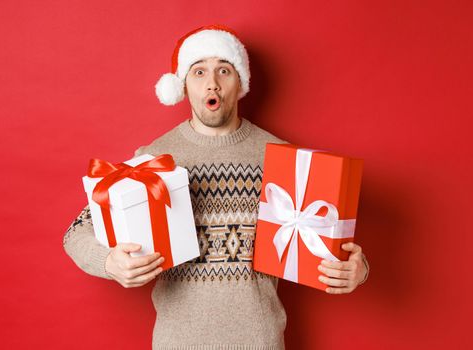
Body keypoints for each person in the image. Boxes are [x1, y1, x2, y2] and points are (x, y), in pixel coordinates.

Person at [63, 24, 370, 350]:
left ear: (240, 82)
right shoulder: (152, 161)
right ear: (183, 85)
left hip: (260, 342)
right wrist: (109, 262)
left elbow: (330, 247)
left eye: (224, 70)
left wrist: (357, 270)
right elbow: (76, 233)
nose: (212, 83)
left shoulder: (284, 160)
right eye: (199, 72)